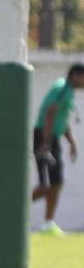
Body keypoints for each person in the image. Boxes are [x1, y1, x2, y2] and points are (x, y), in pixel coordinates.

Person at [32, 63, 84, 234]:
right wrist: (46, 142)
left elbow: (62, 119)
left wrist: (72, 143)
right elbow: (50, 112)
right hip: (44, 137)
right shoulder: (63, 88)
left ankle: (48, 224)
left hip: (52, 139)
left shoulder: (68, 91)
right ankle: (11, 210)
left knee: (56, 184)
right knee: (45, 186)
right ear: (75, 75)